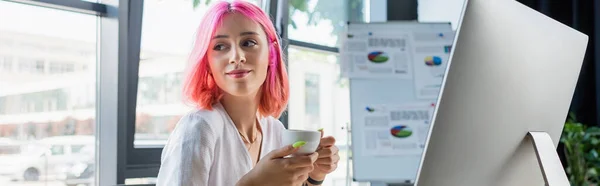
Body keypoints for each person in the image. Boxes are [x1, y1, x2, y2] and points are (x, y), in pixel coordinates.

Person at [155, 1, 340, 186]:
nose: (237, 57)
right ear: (208, 63)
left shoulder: (275, 131)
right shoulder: (198, 128)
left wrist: (315, 175)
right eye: (220, 46)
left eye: (248, 43)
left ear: (271, 54)